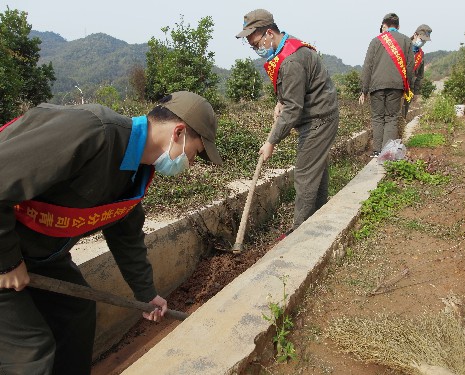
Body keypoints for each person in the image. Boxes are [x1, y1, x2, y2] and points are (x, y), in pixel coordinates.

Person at [0, 91, 223, 375]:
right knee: (30, 354)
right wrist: (7, 260)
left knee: (76, 315)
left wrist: (146, 293)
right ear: (178, 132)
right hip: (6, 246)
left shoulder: (133, 172)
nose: (190, 164)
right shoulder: (91, 132)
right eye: (195, 153)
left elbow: (126, 235)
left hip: (39, 253)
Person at [235, 9, 339, 237]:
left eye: (256, 44)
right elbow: (293, 94)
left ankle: (300, 233)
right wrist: (280, 101)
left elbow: (294, 108)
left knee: (304, 175)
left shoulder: (292, 60)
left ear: (269, 33)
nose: (256, 50)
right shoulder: (289, 47)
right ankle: (317, 220)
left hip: (318, 119)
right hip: (322, 114)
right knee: (316, 173)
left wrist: (271, 141)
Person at [359, 13, 414, 157]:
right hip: (396, 86)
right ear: (398, 26)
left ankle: (377, 151)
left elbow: (367, 66)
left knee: (378, 117)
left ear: (384, 25)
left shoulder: (375, 41)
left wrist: (364, 90)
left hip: (376, 86)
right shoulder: (407, 41)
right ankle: (387, 152)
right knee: (391, 117)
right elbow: (409, 67)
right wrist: (408, 88)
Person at [403, 24, 432, 118]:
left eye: (424, 41)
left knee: (403, 114)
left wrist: (416, 92)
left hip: (409, 89)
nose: (423, 42)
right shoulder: (402, 47)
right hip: (397, 86)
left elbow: (420, 76)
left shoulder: (421, 55)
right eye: (422, 39)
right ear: (415, 35)